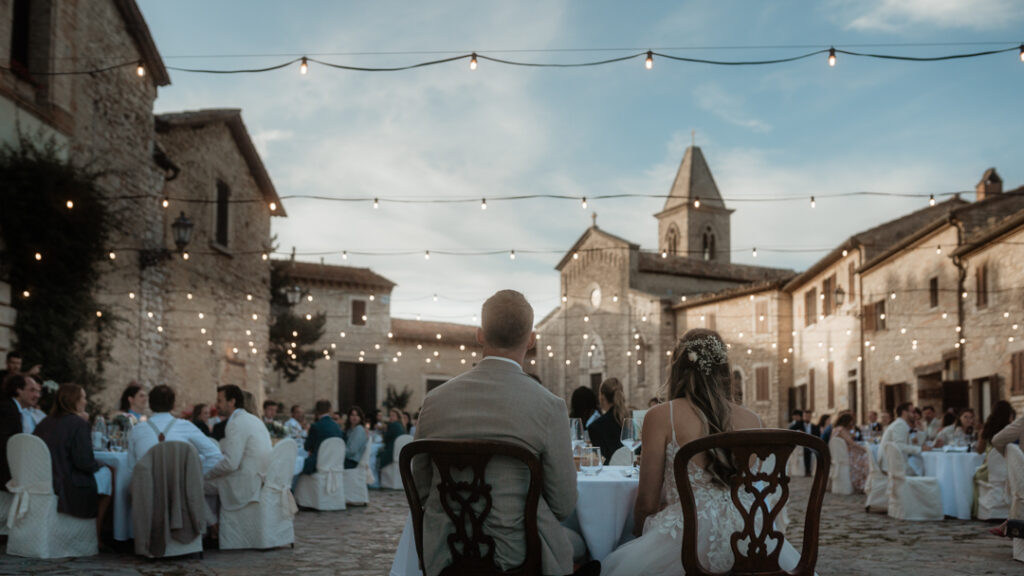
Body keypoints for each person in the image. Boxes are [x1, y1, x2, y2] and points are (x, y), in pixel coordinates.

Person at [412, 290, 593, 576]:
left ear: (480, 335)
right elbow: (563, 504)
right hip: (520, 553)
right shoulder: (548, 405)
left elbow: (421, 488)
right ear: (531, 340)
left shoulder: (434, 401)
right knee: (584, 547)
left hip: (444, 551)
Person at [601, 329, 807, 575]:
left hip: (684, 541)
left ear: (677, 368)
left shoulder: (661, 416)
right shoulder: (754, 420)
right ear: (724, 370)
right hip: (752, 540)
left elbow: (646, 504)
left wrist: (641, 537)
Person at [33, 384, 112, 538]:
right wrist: (100, 465)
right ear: (74, 400)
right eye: (83, 398)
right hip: (65, 481)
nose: (85, 401)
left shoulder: (44, 423)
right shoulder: (78, 424)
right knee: (110, 473)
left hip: (42, 478)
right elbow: (84, 463)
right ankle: (96, 534)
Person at [204, 385, 272, 531]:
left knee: (194, 484)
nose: (216, 405)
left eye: (220, 401)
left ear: (232, 402)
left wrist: (206, 474)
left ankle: (212, 527)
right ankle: (214, 525)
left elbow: (230, 464)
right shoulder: (254, 420)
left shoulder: (235, 423)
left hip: (243, 483)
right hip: (258, 479)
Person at [127, 385, 222, 475]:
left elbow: (131, 467)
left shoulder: (136, 430)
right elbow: (215, 456)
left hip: (147, 489)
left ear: (150, 404)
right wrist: (192, 476)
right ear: (173, 405)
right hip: (179, 489)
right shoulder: (186, 426)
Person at [972, 400, 1017, 518]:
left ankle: (978, 509)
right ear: (1010, 415)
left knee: (974, 476)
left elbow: (979, 450)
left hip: (990, 471)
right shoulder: (1012, 431)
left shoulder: (986, 430)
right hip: (1012, 470)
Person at [1, 374, 38, 491]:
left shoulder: (15, 410)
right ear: (19, 390)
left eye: (38, 391)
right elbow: (7, 444)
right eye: (32, 390)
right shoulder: (7, 411)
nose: (37, 395)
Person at [880, 402, 931, 475]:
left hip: (895, 464)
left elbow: (915, 444)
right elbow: (899, 445)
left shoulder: (902, 424)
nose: (915, 415)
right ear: (904, 413)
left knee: (920, 464)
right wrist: (920, 449)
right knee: (923, 468)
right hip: (894, 467)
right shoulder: (900, 425)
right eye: (913, 412)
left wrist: (921, 431)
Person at [587, 378, 626, 465]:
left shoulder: (595, 427)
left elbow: (603, 461)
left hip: (611, 475)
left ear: (602, 397)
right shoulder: (631, 420)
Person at [302, 400, 344, 475]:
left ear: (317, 411)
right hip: (335, 464)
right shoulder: (337, 427)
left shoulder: (316, 426)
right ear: (330, 410)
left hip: (318, 464)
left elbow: (307, 447)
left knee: (295, 465)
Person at [833, 412, 869, 492]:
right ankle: (862, 484)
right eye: (851, 421)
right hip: (846, 455)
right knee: (866, 457)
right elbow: (851, 443)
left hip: (840, 455)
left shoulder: (836, 429)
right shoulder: (841, 429)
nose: (852, 423)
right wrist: (865, 449)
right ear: (847, 421)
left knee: (863, 455)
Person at [800, 410, 821, 476]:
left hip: (812, 445)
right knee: (806, 451)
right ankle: (807, 470)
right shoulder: (798, 425)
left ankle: (814, 470)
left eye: (808, 416)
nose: (807, 417)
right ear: (803, 416)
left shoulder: (815, 427)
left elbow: (818, 436)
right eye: (805, 416)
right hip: (802, 445)